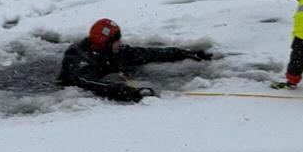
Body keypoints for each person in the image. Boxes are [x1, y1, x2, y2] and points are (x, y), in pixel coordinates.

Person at [58, 18, 213, 103]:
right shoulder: (81, 59)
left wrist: (183, 53)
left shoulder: (112, 51)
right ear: (105, 43)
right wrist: (129, 92)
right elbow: (93, 84)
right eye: (116, 40)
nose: (121, 43)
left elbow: (147, 54)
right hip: (70, 88)